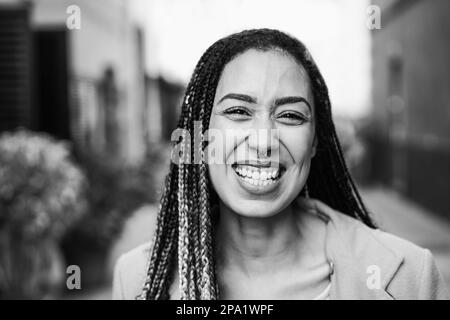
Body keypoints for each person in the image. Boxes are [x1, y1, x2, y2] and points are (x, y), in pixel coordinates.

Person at [112, 29, 448, 300]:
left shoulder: (409, 278)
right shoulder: (138, 279)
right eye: (238, 112)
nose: (263, 142)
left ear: (316, 140)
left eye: (290, 116)